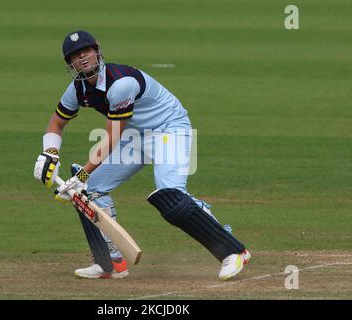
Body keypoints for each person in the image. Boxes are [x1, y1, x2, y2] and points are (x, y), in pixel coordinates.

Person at [33, 30, 251, 280]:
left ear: (97, 51)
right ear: (69, 64)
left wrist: (81, 173)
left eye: (86, 51)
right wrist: (49, 154)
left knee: (172, 197)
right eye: (75, 56)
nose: (82, 58)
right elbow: (56, 124)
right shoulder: (77, 90)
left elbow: (112, 137)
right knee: (89, 189)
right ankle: (111, 262)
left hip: (169, 129)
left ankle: (234, 249)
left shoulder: (121, 83)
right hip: (136, 136)